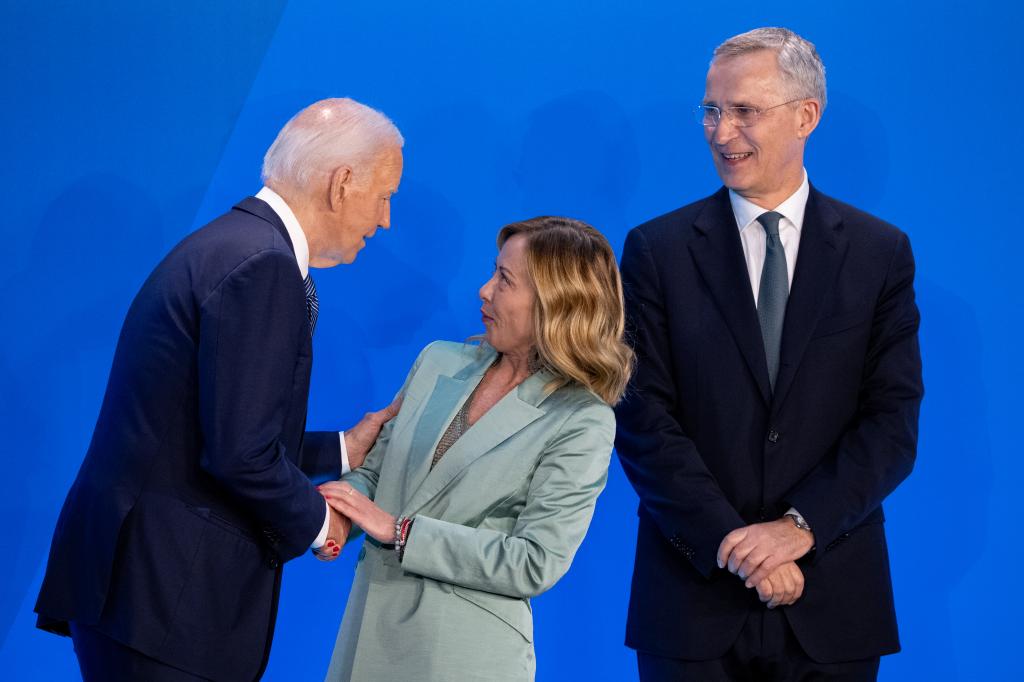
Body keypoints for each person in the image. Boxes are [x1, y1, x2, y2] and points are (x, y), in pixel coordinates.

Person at [35, 98, 405, 681]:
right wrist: (319, 523)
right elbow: (239, 453)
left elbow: (208, 424)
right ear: (342, 184)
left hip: (137, 594)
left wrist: (340, 450)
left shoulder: (233, 244)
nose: (385, 218)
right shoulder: (264, 266)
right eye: (384, 195)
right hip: (166, 603)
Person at [615, 27, 923, 681]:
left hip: (832, 599)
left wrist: (798, 528)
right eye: (711, 110)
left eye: (745, 111)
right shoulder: (656, 251)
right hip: (691, 601)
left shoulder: (879, 254)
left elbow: (890, 426)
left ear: (806, 115)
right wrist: (733, 541)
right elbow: (642, 420)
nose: (721, 133)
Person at [317, 216, 633, 681]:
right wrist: (338, 519)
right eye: (493, 272)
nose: (484, 290)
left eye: (505, 280)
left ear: (556, 304)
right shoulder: (437, 360)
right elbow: (377, 472)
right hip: (367, 634)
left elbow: (534, 561)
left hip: (464, 656)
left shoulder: (581, 421)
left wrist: (401, 532)